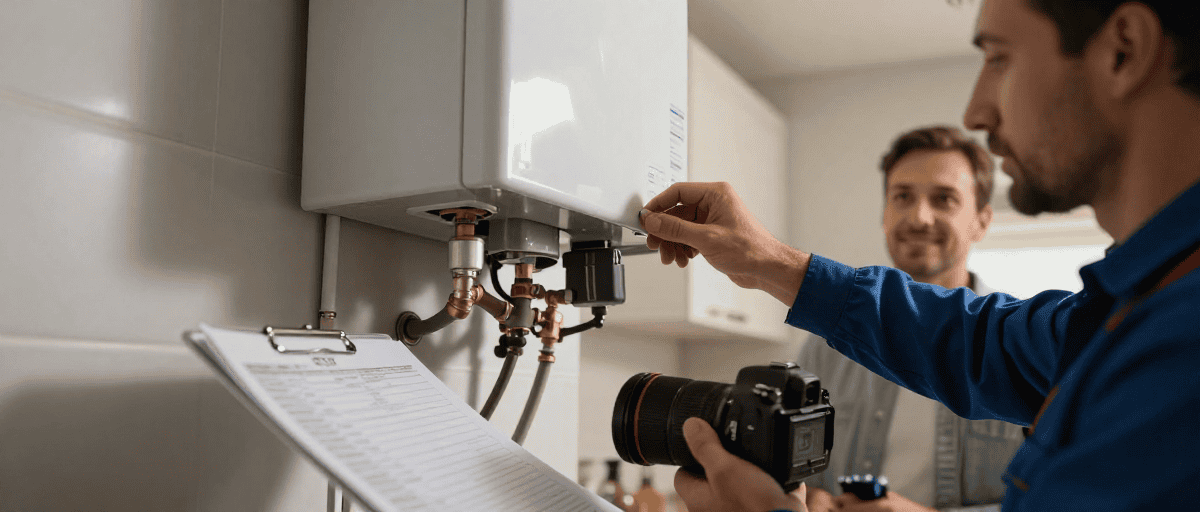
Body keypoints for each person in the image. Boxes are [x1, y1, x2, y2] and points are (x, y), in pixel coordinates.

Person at [640, 0, 1200, 511]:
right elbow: (979, 342)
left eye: (999, 58)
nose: (976, 111)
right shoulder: (1126, 307)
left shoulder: (1181, 338)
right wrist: (771, 262)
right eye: (902, 197)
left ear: (1124, 50)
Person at [799, 125, 1024, 512]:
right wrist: (811, 497)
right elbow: (796, 472)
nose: (919, 217)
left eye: (944, 199)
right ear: (885, 214)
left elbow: (1056, 499)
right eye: (902, 197)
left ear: (982, 221)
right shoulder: (827, 346)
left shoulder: (1016, 347)